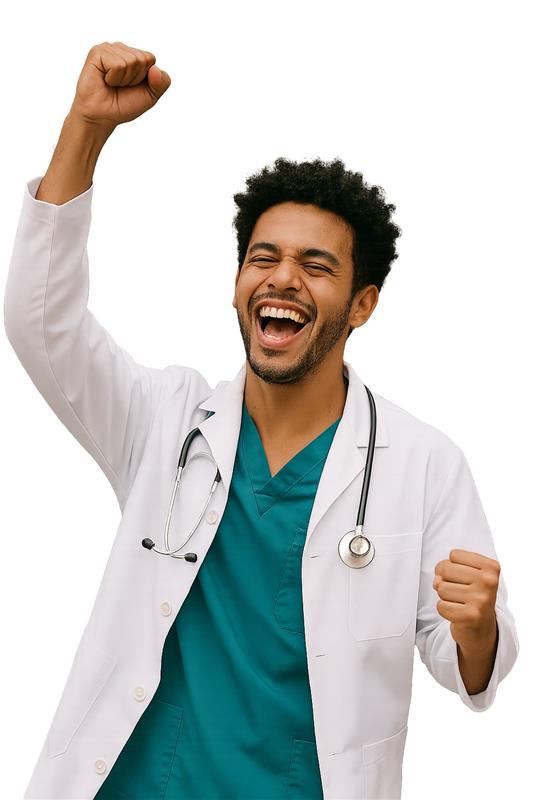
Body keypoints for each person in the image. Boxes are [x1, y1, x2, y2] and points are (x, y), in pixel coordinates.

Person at [4, 41, 519, 800]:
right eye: (262, 257)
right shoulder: (165, 420)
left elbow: (467, 666)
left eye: (316, 265)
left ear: (363, 304)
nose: (282, 278)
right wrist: (85, 127)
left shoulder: (422, 462)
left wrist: (476, 628)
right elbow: (41, 321)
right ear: (238, 281)